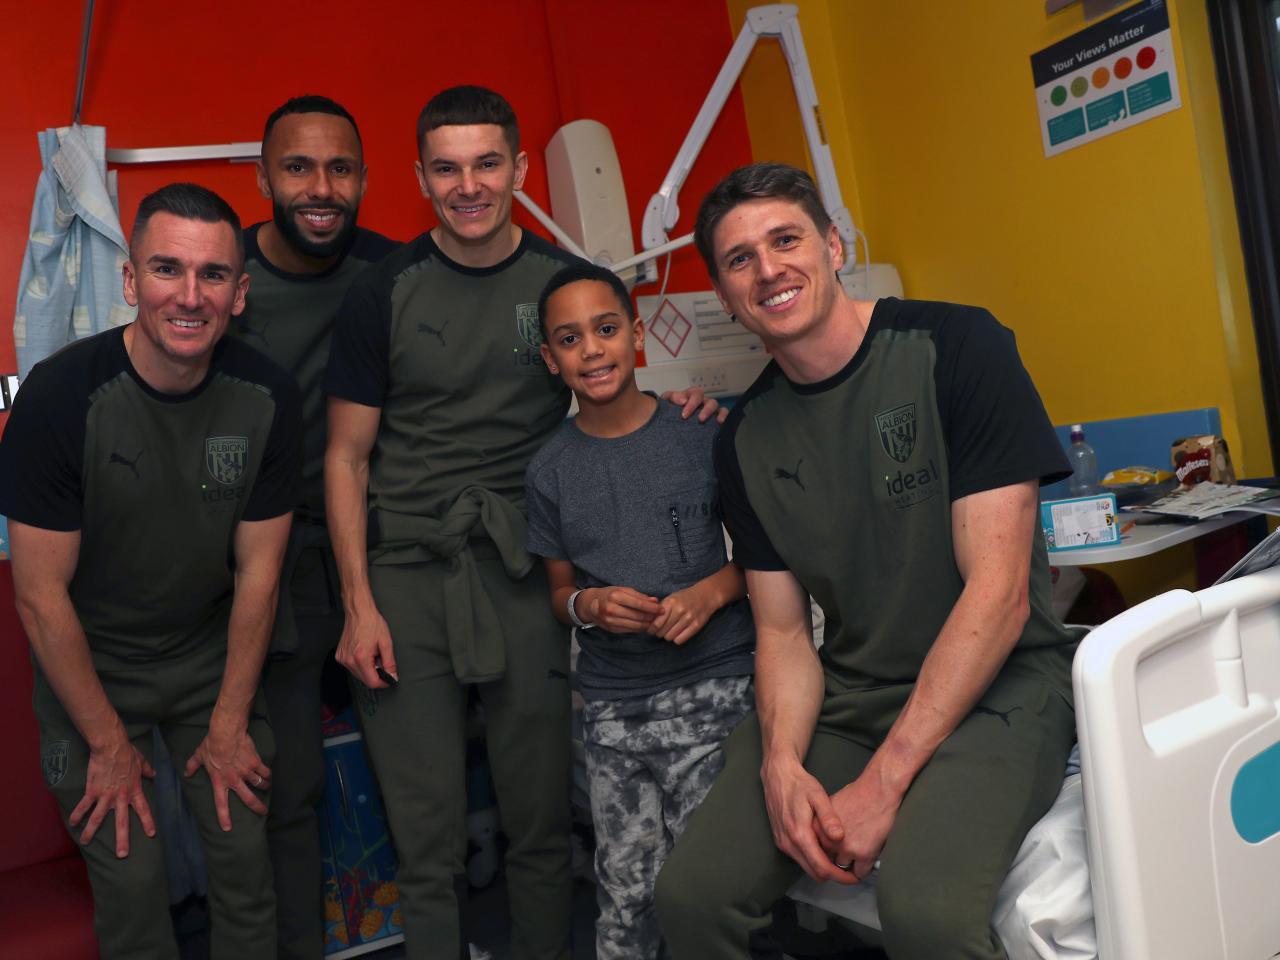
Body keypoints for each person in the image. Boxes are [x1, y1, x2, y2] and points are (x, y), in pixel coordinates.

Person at [323, 85, 719, 960]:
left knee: (540, 822)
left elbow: (611, 386)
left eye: (488, 163)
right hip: (407, 580)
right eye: (448, 168)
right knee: (424, 838)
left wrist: (683, 404)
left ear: (520, 168)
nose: (470, 185)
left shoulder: (556, 285)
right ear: (420, 177)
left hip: (525, 573)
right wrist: (357, 606)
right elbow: (345, 458)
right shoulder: (382, 293)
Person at [653, 162, 1082, 960]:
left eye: (785, 240)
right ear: (723, 294)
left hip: (1003, 684)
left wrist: (884, 784)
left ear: (832, 243)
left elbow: (999, 597)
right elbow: (782, 634)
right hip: (855, 691)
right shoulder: (744, 441)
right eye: (740, 258)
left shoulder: (955, 348)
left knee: (924, 914)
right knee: (692, 897)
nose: (768, 268)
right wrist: (780, 765)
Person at [0, 182, 301, 960]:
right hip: (91, 671)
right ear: (131, 281)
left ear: (240, 292)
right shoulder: (60, 398)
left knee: (243, 867)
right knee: (132, 887)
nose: (189, 295)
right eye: (167, 269)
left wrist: (232, 720)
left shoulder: (267, 396)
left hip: (210, 663)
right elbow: (38, 597)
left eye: (213, 275)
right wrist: (104, 740)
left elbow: (261, 575)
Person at [524, 263, 755, 959]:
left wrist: (711, 591)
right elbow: (559, 595)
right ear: (550, 359)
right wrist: (589, 605)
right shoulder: (550, 470)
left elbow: (769, 560)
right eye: (570, 339)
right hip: (615, 713)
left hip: (717, 693)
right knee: (625, 897)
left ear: (637, 334)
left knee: (706, 889)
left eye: (605, 329)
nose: (591, 350)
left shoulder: (700, 431)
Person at [228, 93, 397, 960]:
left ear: (364, 178)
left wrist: (658, 400)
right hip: (278, 561)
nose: (320, 186)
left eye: (339, 167)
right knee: (289, 784)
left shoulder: (397, 272)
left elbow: (559, 304)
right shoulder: (224, 283)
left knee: (417, 768)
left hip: (390, 550)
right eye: (298, 167)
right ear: (265, 178)